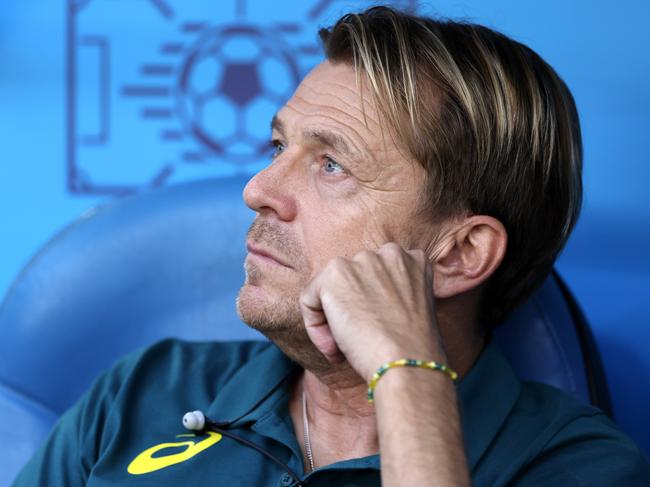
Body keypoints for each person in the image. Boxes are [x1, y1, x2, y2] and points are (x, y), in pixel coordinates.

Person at [14, 6, 650, 486]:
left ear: (459, 254)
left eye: (332, 165)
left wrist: (406, 376)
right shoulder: (143, 390)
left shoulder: (572, 461)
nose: (258, 189)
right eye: (278, 146)